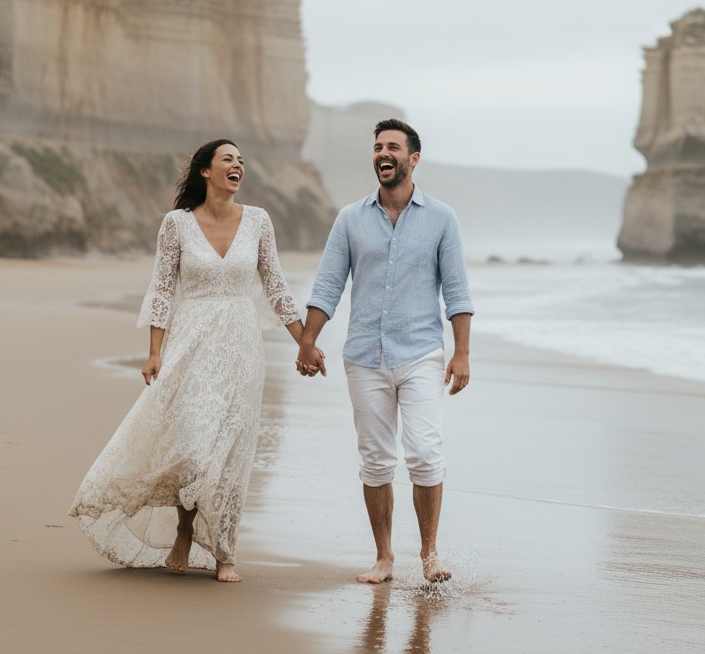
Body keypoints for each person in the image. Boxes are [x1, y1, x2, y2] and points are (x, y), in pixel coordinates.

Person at [69, 139, 304, 583]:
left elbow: (275, 285)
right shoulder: (176, 224)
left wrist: (304, 342)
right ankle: (184, 528)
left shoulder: (258, 221)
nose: (237, 166)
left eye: (241, 161)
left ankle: (225, 553)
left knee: (232, 448)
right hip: (191, 340)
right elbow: (161, 287)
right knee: (194, 442)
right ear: (205, 172)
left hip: (240, 345)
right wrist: (154, 351)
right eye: (227, 159)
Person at [296, 118, 473, 584]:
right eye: (378, 147)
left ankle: (430, 555)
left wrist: (462, 353)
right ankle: (384, 558)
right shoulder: (351, 218)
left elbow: (457, 292)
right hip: (364, 358)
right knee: (375, 461)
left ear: (413, 159)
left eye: (393, 147)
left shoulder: (442, 218)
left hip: (421, 355)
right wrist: (307, 341)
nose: (383, 154)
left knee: (425, 454)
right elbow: (328, 285)